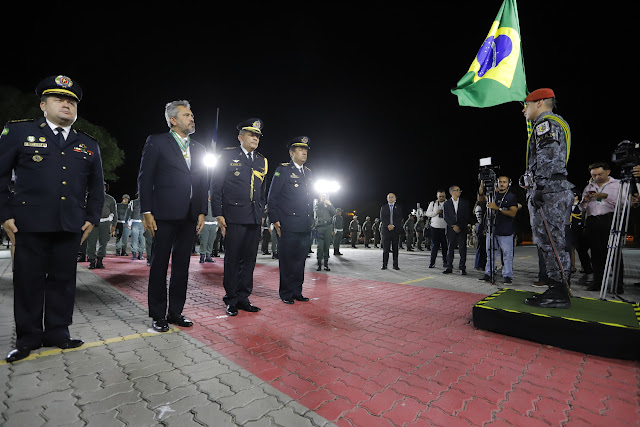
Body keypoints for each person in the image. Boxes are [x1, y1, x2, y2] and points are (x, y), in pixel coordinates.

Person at [1, 75, 104, 362]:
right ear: (43, 105)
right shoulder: (19, 133)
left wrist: (92, 218)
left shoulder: (88, 144)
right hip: (29, 223)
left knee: (63, 282)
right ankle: (28, 338)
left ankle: (58, 333)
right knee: (28, 281)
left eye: (71, 100)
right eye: (59, 99)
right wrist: (5, 214)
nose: (66, 104)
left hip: (70, 224)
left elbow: (97, 187)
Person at [138, 100, 208, 332]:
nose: (192, 118)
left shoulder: (199, 148)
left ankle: (175, 312)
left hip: (189, 216)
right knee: (159, 264)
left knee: (182, 265)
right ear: (173, 120)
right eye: (187, 115)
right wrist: (147, 211)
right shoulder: (157, 142)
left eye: (192, 114)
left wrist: (201, 211)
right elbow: (145, 178)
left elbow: (201, 182)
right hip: (164, 214)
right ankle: (158, 314)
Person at [520, 88, 574, 308]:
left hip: (549, 192)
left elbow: (549, 158)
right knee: (552, 242)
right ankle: (557, 288)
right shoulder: (554, 123)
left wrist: (539, 187)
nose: (524, 110)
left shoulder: (546, 124)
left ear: (539, 103)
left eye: (527, 105)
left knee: (552, 242)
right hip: (551, 189)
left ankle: (558, 292)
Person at [210, 118, 267, 316]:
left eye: (258, 136)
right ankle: (231, 299)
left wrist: (261, 211)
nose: (255, 138)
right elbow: (216, 186)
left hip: (253, 218)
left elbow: (263, 190)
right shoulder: (227, 155)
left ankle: (244, 298)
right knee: (233, 259)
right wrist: (218, 213)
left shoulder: (261, 160)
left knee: (249, 260)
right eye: (252, 134)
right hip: (233, 215)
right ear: (240, 137)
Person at [268, 136, 314, 303]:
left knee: (300, 260)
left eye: (306, 150)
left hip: (305, 223)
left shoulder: (308, 173)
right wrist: (275, 219)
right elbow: (272, 197)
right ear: (291, 153)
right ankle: (286, 293)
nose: (304, 153)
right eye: (300, 150)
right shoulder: (284, 170)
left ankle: (297, 291)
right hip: (288, 223)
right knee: (288, 260)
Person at [579, 162, 624, 293]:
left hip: (610, 219)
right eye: (593, 175)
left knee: (614, 253)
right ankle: (597, 282)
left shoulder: (618, 185)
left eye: (599, 174)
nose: (597, 177)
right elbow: (582, 207)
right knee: (596, 254)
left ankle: (617, 285)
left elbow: (625, 203)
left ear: (608, 172)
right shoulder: (589, 186)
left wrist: (606, 197)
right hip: (593, 221)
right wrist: (586, 200)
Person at [477, 177, 518, 284]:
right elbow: (480, 198)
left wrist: (498, 208)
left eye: (504, 182)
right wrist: (482, 184)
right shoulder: (492, 195)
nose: (502, 184)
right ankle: (488, 273)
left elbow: (513, 213)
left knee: (507, 255)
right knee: (490, 253)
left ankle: (508, 275)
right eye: (500, 182)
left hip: (505, 230)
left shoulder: (511, 196)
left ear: (508, 183)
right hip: (491, 229)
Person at [86, 182, 117, 269]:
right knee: (91, 243)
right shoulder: (90, 197)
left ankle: (100, 260)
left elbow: (114, 213)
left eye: (103, 187)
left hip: (105, 223)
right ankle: (91, 261)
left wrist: (113, 225)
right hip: (92, 223)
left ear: (105, 188)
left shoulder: (110, 199)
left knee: (103, 243)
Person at [443, 185, 470, 275]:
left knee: (462, 249)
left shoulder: (464, 203)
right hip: (451, 229)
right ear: (452, 192)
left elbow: (466, 216)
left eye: (459, 190)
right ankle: (449, 267)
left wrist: (459, 226)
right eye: (457, 190)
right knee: (450, 248)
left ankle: (462, 267)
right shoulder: (446, 204)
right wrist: (453, 226)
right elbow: (445, 217)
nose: (460, 191)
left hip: (462, 229)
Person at [380, 193, 403, 270]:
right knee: (386, 249)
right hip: (386, 230)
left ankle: (395, 265)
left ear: (395, 199)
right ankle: (384, 265)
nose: (391, 199)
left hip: (395, 230)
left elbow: (399, 218)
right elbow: (382, 218)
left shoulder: (398, 208)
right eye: (389, 197)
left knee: (395, 248)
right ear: (387, 199)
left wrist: (393, 225)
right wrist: (388, 225)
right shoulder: (383, 208)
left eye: (392, 197)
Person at [426, 190, 447, 268]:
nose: (441, 198)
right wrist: (436, 212)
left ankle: (445, 262)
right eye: (440, 196)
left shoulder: (448, 203)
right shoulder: (433, 203)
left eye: (443, 196)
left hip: (445, 227)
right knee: (434, 246)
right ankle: (432, 263)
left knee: (445, 246)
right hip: (435, 227)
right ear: (437, 196)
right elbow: (427, 213)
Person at [314, 193, 335, 271]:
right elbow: (318, 213)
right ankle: (319, 264)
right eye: (322, 196)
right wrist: (324, 205)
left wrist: (330, 205)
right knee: (320, 246)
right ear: (320, 197)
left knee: (327, 246)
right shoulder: (318, 205)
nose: (324, 197)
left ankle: (326, 264)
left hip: (328, 227)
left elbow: (334, 213)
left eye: (325, 196)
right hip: (320, 227)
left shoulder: (329, 206)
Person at [126, 192, 145, 260]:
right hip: (135, 222)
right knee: (134, 239)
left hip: (143, 223)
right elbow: (128, 212)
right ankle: (134, 254)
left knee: (142, 240)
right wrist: (127, 222)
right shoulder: (133, 202)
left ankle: (140, 254)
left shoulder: (147, 202)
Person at [199, 194, 217, 263]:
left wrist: (217, 225)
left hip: (213, 225)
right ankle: (202, 256)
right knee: (204, 241)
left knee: (211, 241)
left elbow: (218, 215)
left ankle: (208, 256)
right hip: (205, 224)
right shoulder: (204, 204)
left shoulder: (215, 204)